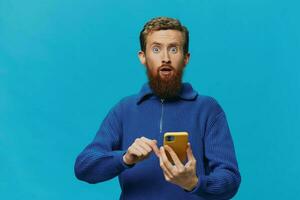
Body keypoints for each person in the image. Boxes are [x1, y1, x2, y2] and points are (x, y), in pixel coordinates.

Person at [74, 16, 241, 200]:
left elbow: (230, 179)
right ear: (143, 57)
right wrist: (125, 158)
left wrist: (193, 183)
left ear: (186, 58)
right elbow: (84, 167)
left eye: (174, 49)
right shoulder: (124, 109)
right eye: (156, 49)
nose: (166, 58)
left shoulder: (208, 109)